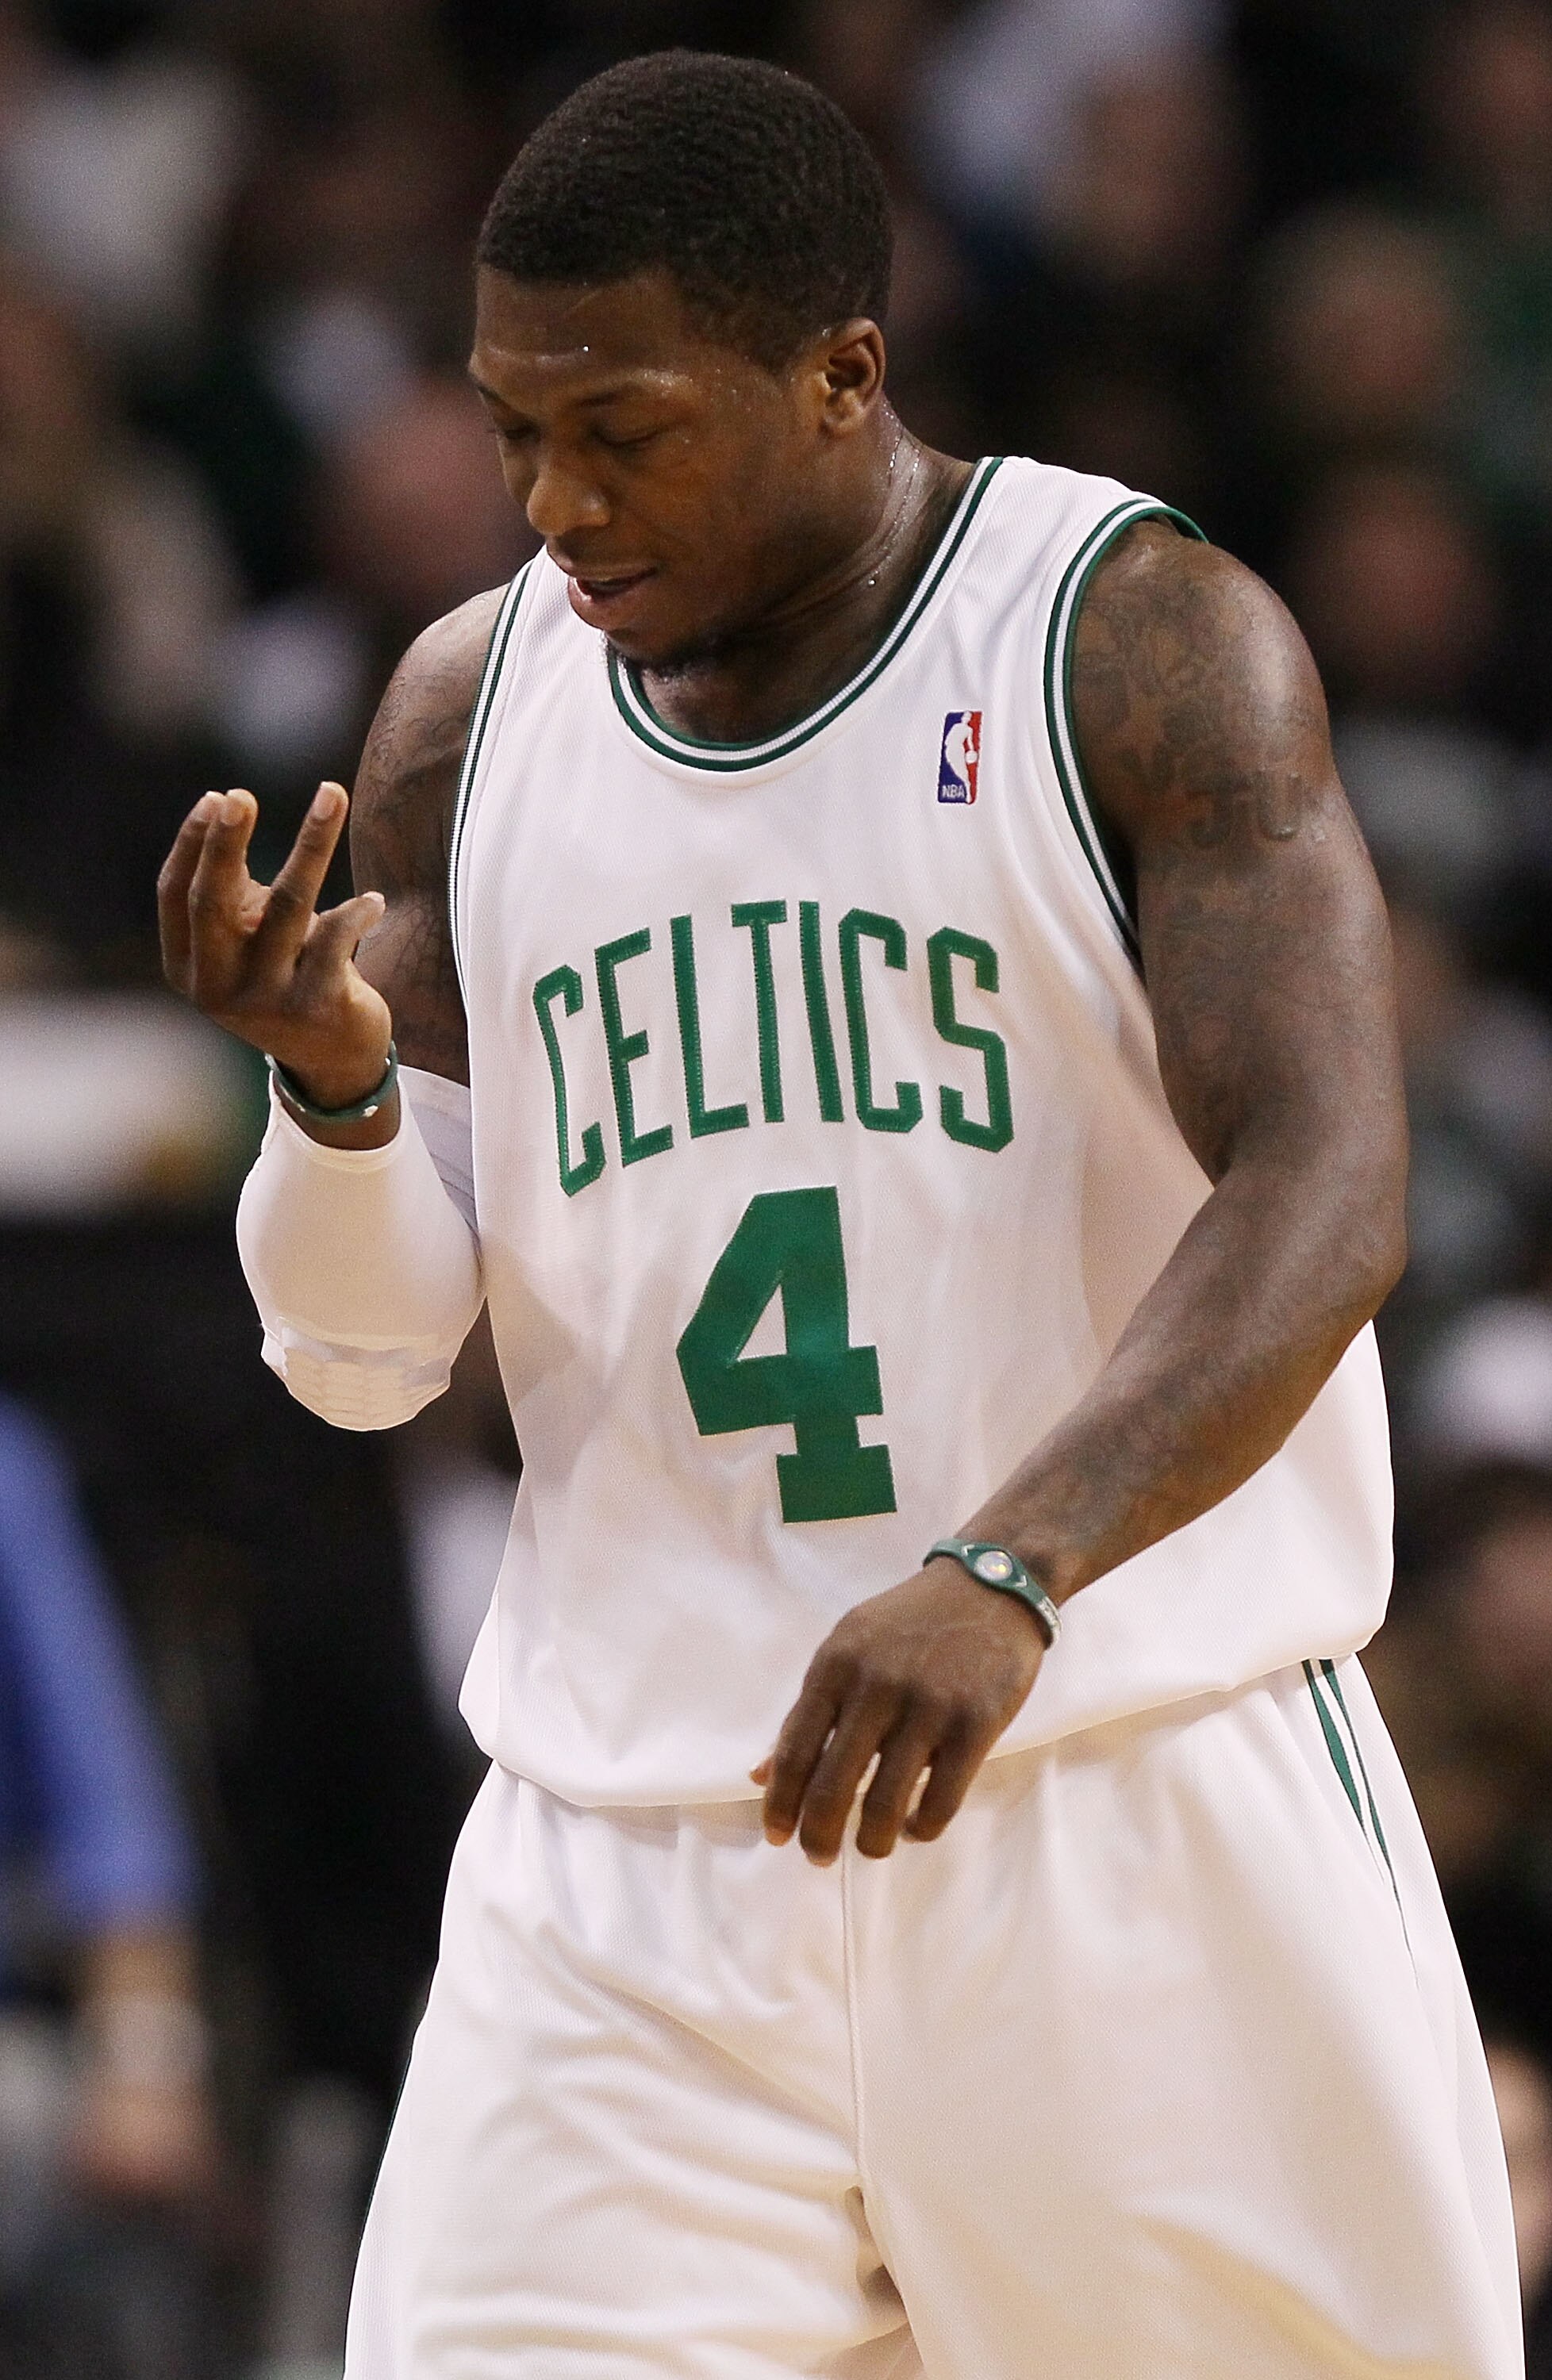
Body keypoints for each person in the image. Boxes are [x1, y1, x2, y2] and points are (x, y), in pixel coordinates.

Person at [157, 50, 1521, 2380]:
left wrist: (1015, 1563)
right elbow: (366, 1362)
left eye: (624, 430)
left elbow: (1327, 1183)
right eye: (514, 431)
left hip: (1118, 1790)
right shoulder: (468, 716)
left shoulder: (1129, 641)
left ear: (840, 374)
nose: (556, 502)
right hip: (633, 1866)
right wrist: (336, 1100)